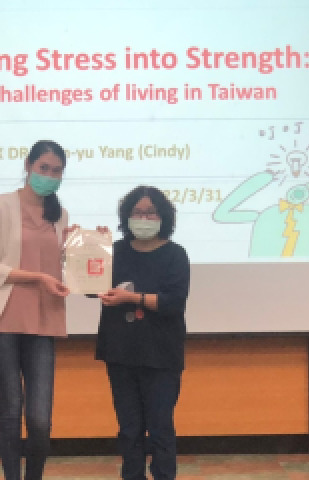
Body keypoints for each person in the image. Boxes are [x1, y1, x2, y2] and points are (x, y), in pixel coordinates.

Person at [0, 140, 70, 480]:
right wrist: (37, 277)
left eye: (57, 171)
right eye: (44, 168)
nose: (49, 176)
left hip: (42, 320)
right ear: (28, 166)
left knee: (40, 419)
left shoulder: (61, 216)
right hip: (0, 320)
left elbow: (62, 267)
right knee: (11, 412)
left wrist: (89, 246)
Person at [96, 185, 191, 480]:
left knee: (160, 428)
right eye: (138, 212)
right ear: (127, 216)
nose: (144, 218)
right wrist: (87, 249)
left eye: (151, 212)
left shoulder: (175, 254)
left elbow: (173, 302)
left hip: (161, 355)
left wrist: (132, 298)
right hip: (120, 352)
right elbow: (89, 287)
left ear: (163, 216)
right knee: (129, 430)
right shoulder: (114, 251)